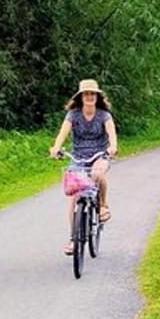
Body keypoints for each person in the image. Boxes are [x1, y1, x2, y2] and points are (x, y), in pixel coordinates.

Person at [49, 79, 118, 254]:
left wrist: (112, 147)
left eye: (92, 94)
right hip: (78, 157)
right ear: (81, 97)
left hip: (99, 155)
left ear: (97, 96)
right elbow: (62, 134)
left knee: (98, 173)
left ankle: (103, 205)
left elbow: (112, 135)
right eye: (86, 94)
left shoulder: (104, 115)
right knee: (74, 194)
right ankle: (73, 239)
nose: (89, 97)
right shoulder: (73, 115)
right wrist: (56, 148)